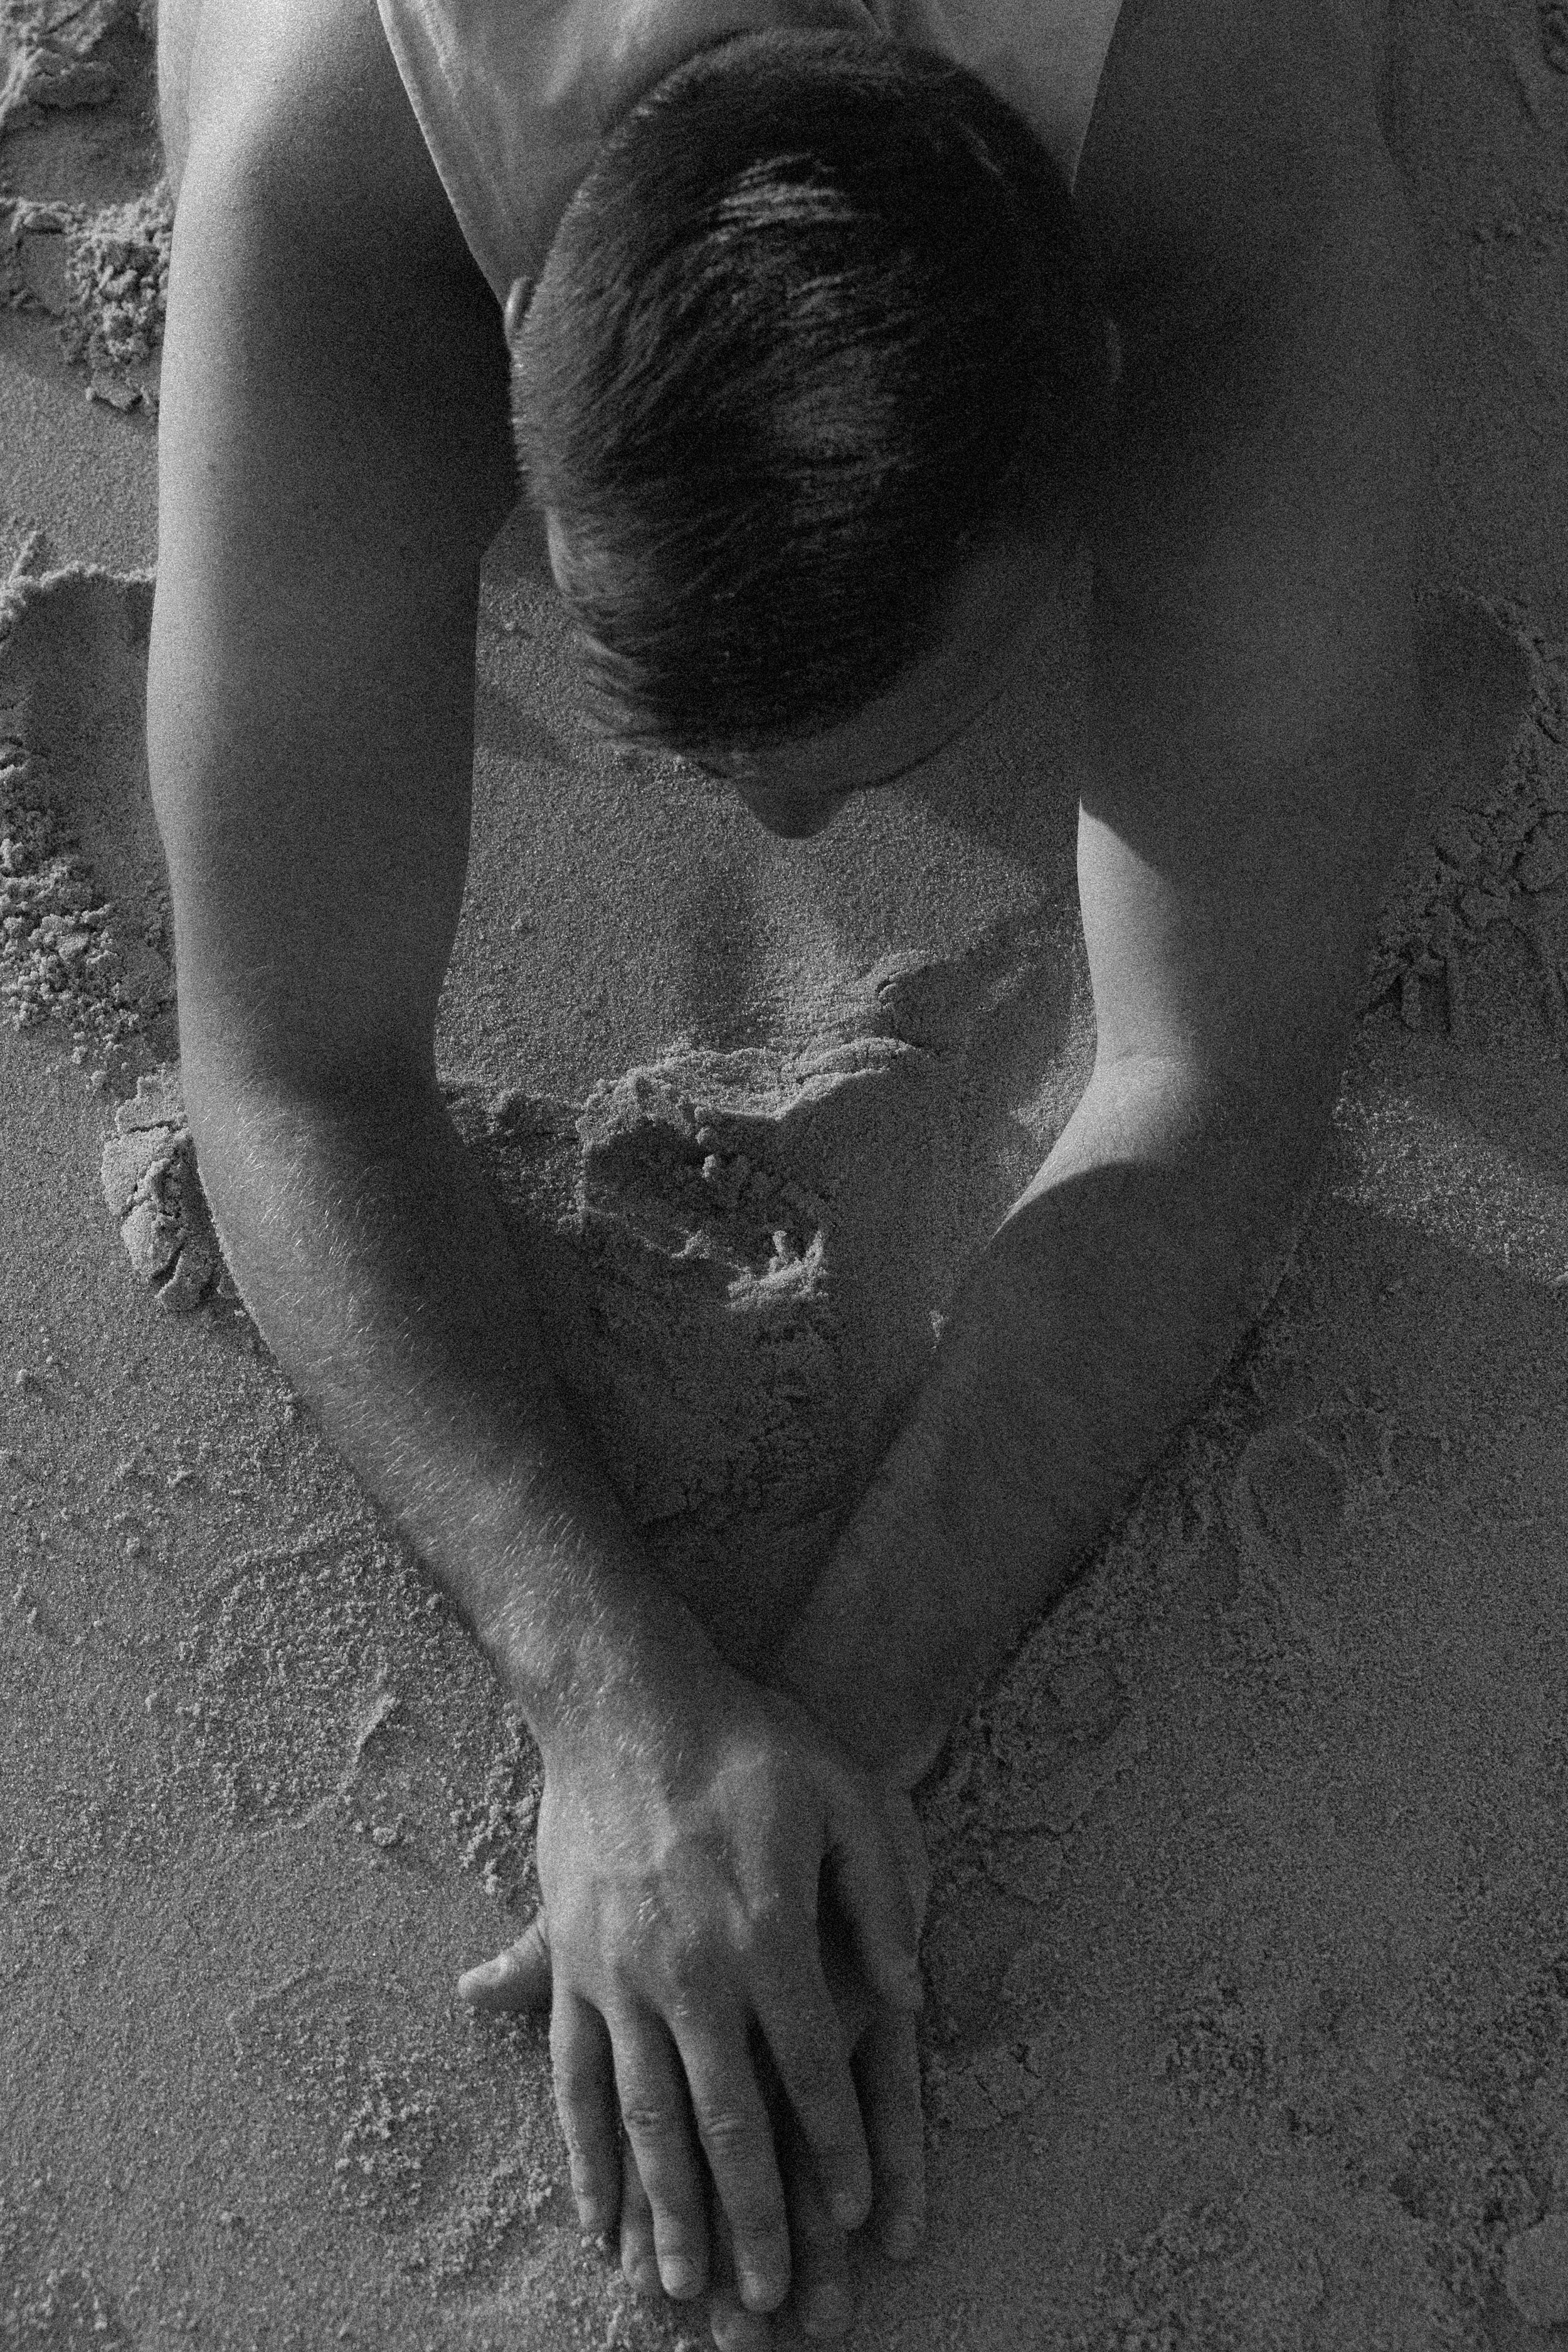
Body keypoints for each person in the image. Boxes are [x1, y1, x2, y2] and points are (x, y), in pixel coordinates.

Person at [148, 0, 1428, 2340]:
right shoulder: (325, 164)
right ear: (514, 327)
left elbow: (1211, 1085)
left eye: (859, 756)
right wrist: (613, 1706)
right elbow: (289, 1057)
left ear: (1102, 421)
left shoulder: (1227, 165)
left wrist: (835, 1719)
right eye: (672, 721)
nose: (776, 826)